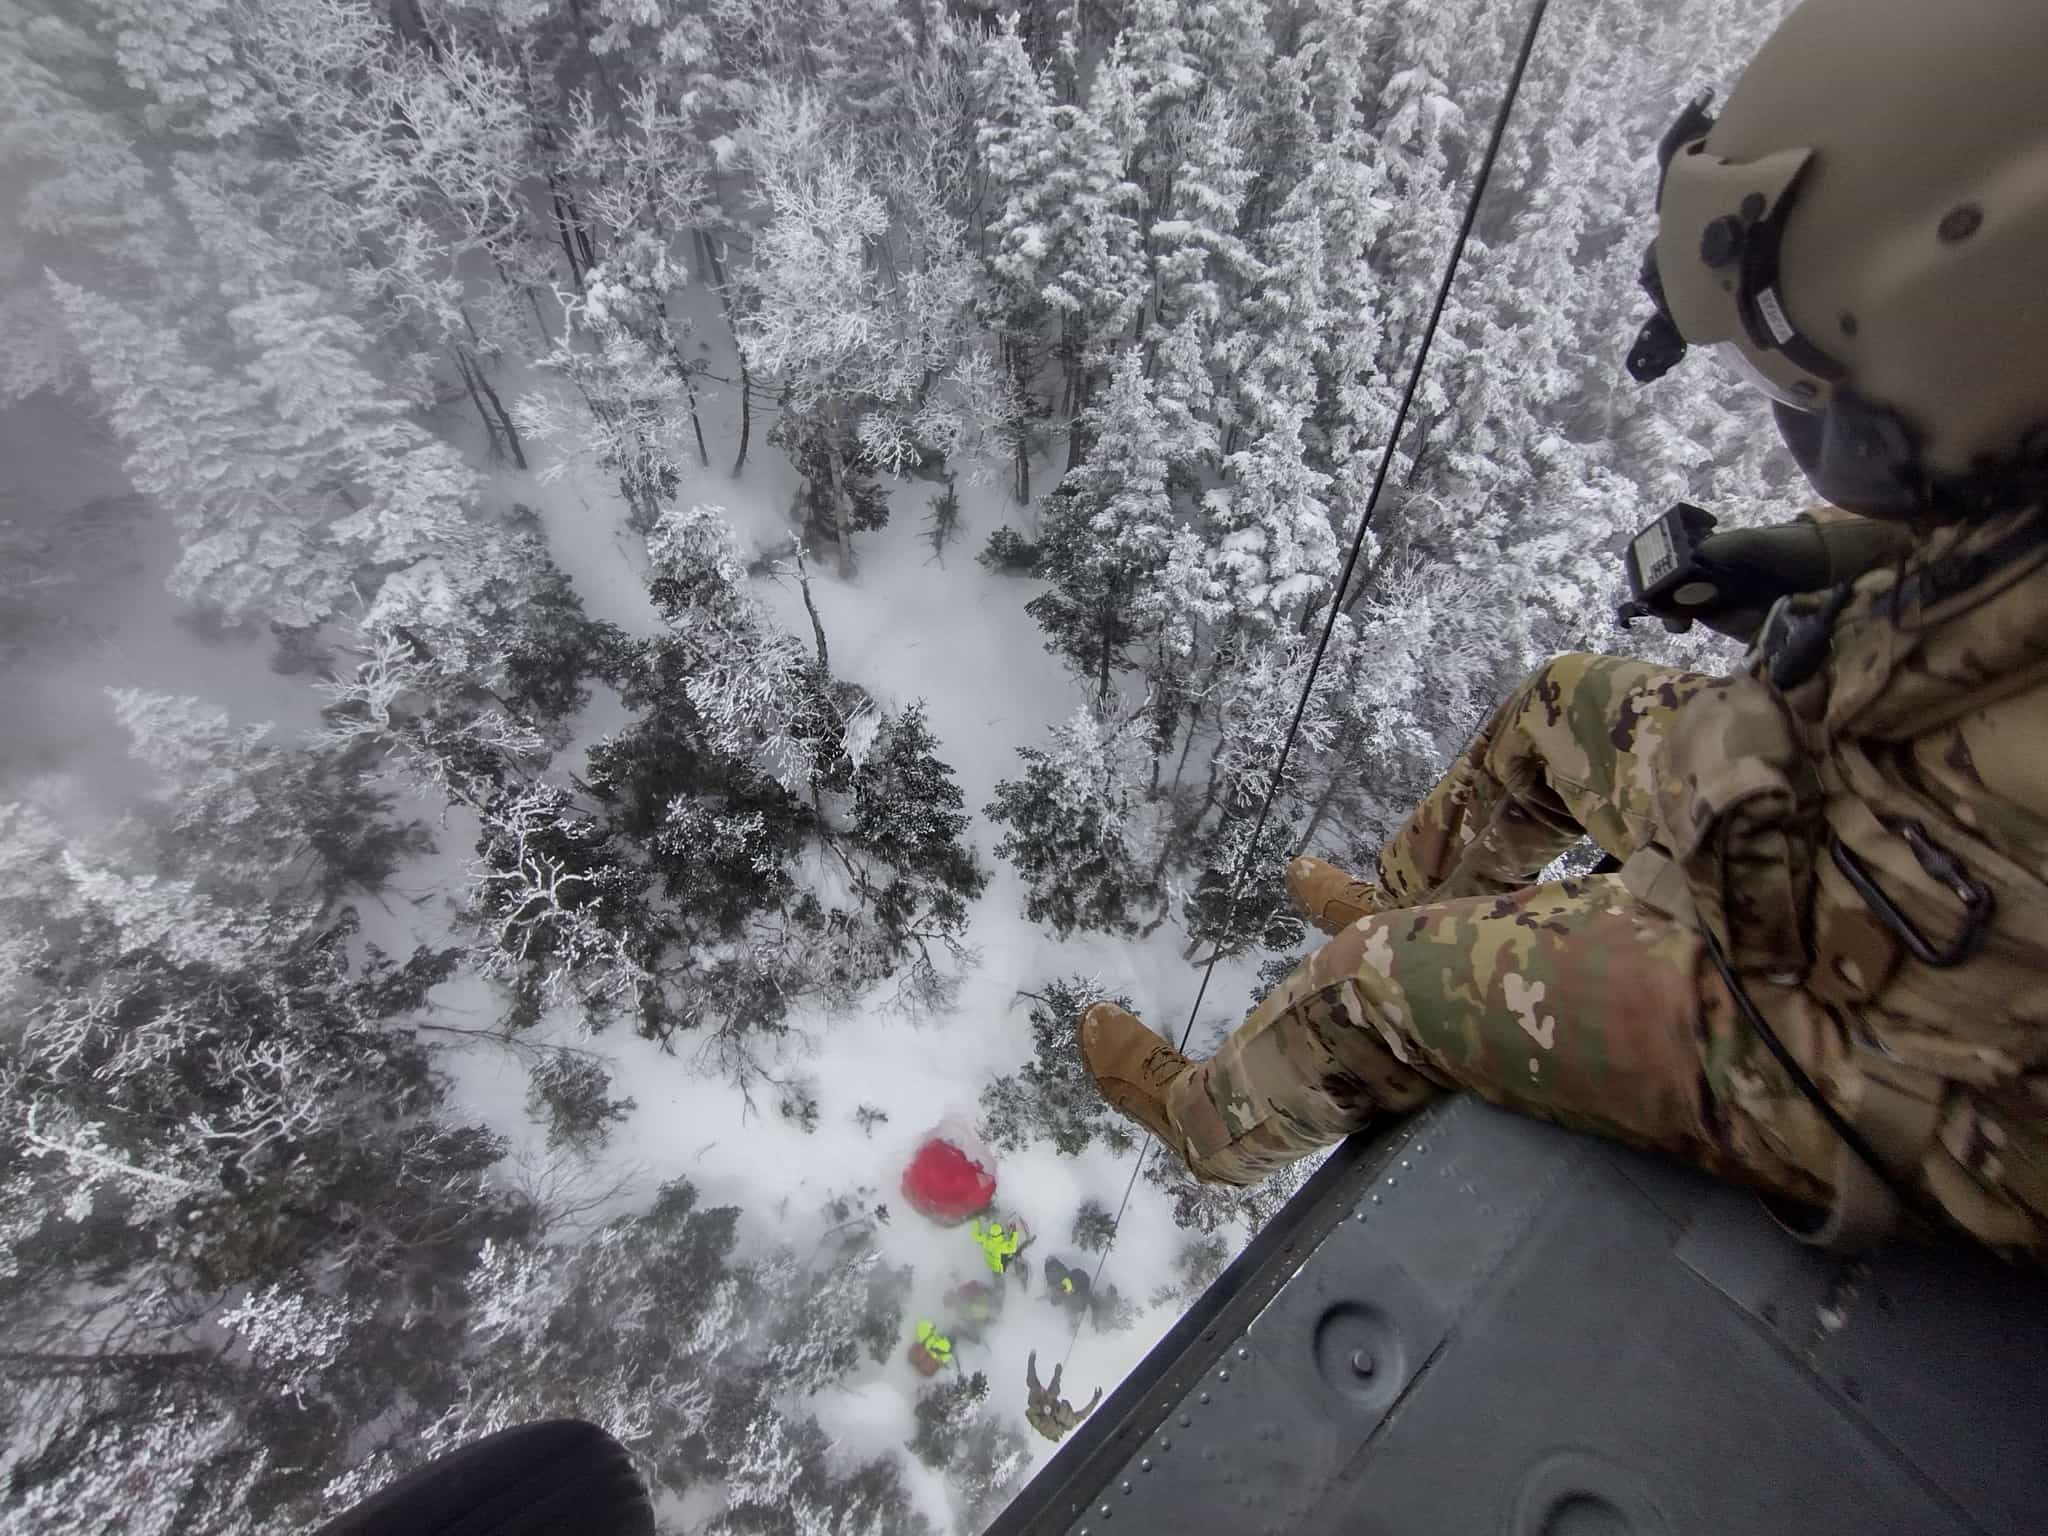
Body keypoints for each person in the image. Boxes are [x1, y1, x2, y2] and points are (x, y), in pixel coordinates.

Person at [1082, 0, 2048, 1258]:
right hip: (1849, 827)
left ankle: (1207, 1125)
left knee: (1378, 994)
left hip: (1923, 1046)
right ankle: (1395, 900)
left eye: (1811, 394)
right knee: (1554, 705)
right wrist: (1830, 559)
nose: (1798, 428)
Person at [1024, 1349, 1102, 1444]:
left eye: (1058, 1408)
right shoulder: (1070, 1421)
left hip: (1038, 1406)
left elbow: (1030, 1413)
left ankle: (1033, 1363)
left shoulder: (1048, 1428)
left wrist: (1041, 1409)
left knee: (1034, 1386)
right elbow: (1083, 1414)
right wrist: (1095, 1400)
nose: (1057, 1406)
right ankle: (1055, 1378)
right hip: (1047, 1404)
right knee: (1050, 1394)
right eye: (1058, 1407)